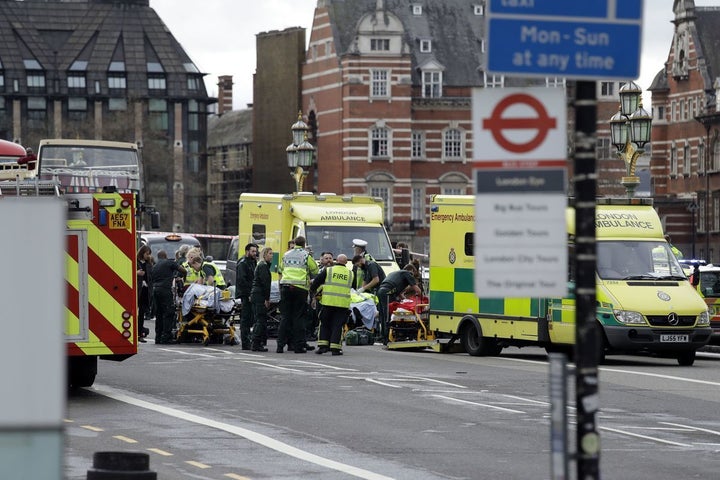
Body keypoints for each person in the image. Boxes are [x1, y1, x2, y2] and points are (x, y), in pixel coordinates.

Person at [277, 236, 318, 353]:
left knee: (285, 317)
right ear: (304, 244)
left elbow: (280, 269)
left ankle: (280, 345)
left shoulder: (286, 254)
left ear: (294, 243)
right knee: (298, 317)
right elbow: (315, 270)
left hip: (285, 287)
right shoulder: (306, 255)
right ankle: (298, 346)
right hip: (300, 288)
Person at [309, 254, 353, 356]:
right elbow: (353, 286)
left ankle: (322, 347)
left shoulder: (329, 271)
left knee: (324, 323)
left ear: (336, 260)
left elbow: (316, 282)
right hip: (342, 304)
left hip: (328, 302)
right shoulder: (350, 273)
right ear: (346, 262)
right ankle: (335, 349)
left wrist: (314, 292)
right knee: (337, 325)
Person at [376, 264, 422, 345]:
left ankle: (383, 336)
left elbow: (400, 294)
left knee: (383, 315)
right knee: (388, 315)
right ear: (412, 271)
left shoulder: (396, 274)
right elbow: (417, 290)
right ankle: (386, 338)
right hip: (387, 293)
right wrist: (420, 298)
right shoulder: (407, 273)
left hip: (380, 291)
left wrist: (405, 301)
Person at [151, 250, 186, 344]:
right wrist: (184, 277)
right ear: (165, 256)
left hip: (155, 290)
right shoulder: (169, 262)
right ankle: (166, 337)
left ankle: (158, 337)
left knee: (159, 314)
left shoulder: (154, 266)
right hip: (165, 290)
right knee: (168, 313)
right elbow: (183, 270)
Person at [250, 247, 274, 351]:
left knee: (258, 319)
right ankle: (256, 342)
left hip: (256, 294)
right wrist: (267, 298)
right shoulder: (263, 266)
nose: (271, 255)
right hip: (260, 295)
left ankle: (256, 341)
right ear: (264, 255)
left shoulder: (261, 265)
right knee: (260, 319)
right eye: (269, 253)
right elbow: (265, 284)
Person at [236, 243, 259, 350]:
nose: (255, 253)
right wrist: (249, 294)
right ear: (247, 251)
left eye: (256, 251)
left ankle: (249, 339)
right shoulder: (243, 263)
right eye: (253, 251)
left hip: (252, 293)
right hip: (246, 294)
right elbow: (242, 281)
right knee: (245, 318)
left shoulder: (253, 262)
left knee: (251, 317)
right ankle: (245, 342)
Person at [136, 245, 153, 343]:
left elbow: (151, 277)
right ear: (142, 253)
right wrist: (136, 273)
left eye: (149, 254)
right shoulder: (135, 261)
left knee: (142, 313)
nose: (148, 256)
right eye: (147, 254)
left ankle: (140, 334)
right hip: (137, 290)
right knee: (134, 313)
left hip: (145, 291)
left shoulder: (148, 264)